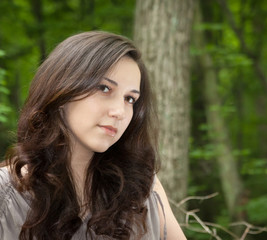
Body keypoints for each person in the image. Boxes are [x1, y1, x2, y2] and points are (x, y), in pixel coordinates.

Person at [0, 31, 186, 240]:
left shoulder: (142, 188)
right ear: (61, 92)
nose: (120, 111)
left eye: (130, 99)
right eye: (104, 88)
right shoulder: (6, 195)